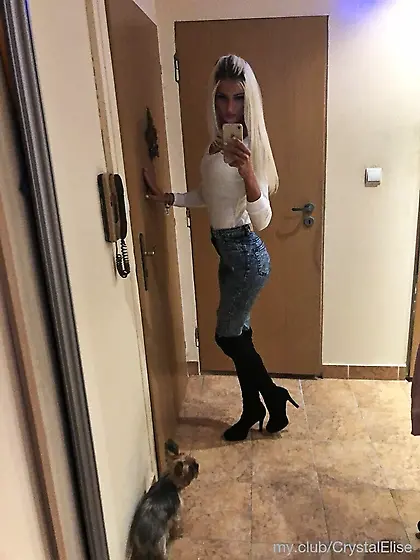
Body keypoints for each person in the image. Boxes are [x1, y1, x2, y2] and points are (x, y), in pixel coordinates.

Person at [143, 54, 299, 441]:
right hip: (228, 254)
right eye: (222, 97)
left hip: (246, 256)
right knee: (239, 334)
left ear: (249, 102)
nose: (230, 108)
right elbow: (208, 195)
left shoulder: (250, 148)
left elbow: (262, 219)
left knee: (226, 336)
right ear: (213, 99)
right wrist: (169, 198)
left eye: (238, 99)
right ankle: (254, 408)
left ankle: (271, 396)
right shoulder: (216, 145)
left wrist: (248, 172)